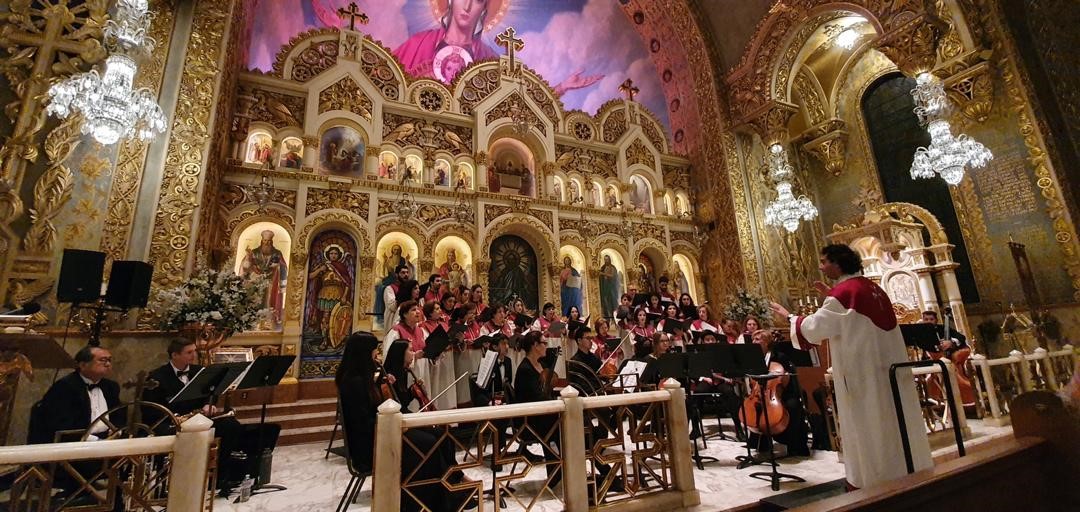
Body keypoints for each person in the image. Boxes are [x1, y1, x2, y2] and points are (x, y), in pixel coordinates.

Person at [770, 243, 931, 489]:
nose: (821, 267)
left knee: (869, 426)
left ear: (837, 263)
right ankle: (905, 474)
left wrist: (790, 317)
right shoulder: (872, 288)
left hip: (863, 375)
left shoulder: (845, 293)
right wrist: (831, 296)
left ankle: (873, 482)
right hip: (888, 372)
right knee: (894, 425)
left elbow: (814, 329)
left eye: (824, 262)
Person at [336, 332, 473, 511]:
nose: (376, 355)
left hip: (381, 436)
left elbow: (374, 409)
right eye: (373, 351)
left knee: (436, 436)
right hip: (369, 447)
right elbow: (364, 422)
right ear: (363, 353)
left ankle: (445, 493)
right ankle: (433, 502)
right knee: (429, 443)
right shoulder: (354, 383)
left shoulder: (361, 379)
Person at [143, 340, 278, 489]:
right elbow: (150, 410)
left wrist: (209, 404)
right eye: (189, 352)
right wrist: (175, 418)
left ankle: (219, 476)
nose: (194, 355)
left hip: (200, 420)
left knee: (231, 426)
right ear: (174, 355)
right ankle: (174, 480)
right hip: (171, 422)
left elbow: (212, 392)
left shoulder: (200, 371)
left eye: (194, 351)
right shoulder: (157, 376)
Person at [29, 346, 121, 444]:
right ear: (83, 365)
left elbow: (118, 414)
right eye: (102, 360)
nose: (107, 364)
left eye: (109, 360)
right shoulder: (64, 388)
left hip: (108, 442)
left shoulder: (111, 387)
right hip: (74, 444)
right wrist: (95, 441)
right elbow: (62, 425)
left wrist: (116, 431)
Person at [744, 329, 810, 457]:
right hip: (761, 392)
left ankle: (794, 445)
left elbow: (786, 379)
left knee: (793, 406)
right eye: (753, 339)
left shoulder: (780, 357)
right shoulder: (755, 358)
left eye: (757, 339)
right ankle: (761, 443)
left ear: (767, 342)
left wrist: (779, 376)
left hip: (782, 392)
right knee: (756, 407)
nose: (753, 342)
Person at [513, 332, 561, 487]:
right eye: (544, 343)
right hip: (530, 421)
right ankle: (558, 470)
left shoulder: (540, 364)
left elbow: (544, 393)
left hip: (541, 415)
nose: (546, 346)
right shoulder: (525, 369)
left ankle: (559, 470)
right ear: (534, 345)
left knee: (564, 423)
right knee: (563, 425)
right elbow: (536, 398)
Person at [306, 244, 353, 350]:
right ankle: (324, 339)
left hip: (338, 294)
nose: (333, 255)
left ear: (339, 255)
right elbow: (309, 276)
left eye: (336, 253)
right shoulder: (323, 266)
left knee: (337, 318)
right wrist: (319, 270)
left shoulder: (342, 267)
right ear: (328, 255)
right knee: (325, 318)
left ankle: (336, 338)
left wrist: (345, 296)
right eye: (331, 253)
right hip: (325, 294)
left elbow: (347, 283)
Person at [239, 229, 288, 329]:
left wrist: (278, 265)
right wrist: (248, 257)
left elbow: (284, 266)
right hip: (256, 281)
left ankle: (268, 322)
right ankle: (253, 321)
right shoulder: (254, 252)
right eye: (265, 241)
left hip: (272, 281)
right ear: (262, 241)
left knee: (269, 301)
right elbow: (245, 267)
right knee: (255, 300)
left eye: (269, 241)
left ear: (272, 242)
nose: (267, 243)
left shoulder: (277, 253)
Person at [383, 264, 411, 331]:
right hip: (393, 320)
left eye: (407, 272)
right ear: (396, 274)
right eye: (403, 273)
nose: (406, 275)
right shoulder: (389, 288)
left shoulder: (410, 289)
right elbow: (392, 306)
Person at [599, 255, 622, 320]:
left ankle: (614, 316)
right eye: (605, 259)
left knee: (612, 301)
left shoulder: (612, 267)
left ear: (609, 260)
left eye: (607, 259)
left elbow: (613, 276)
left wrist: (603, 274)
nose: (606, 261)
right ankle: (607, 316)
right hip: (604, 286)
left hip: (611, 286)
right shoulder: (603, 267)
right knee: (605, 300)